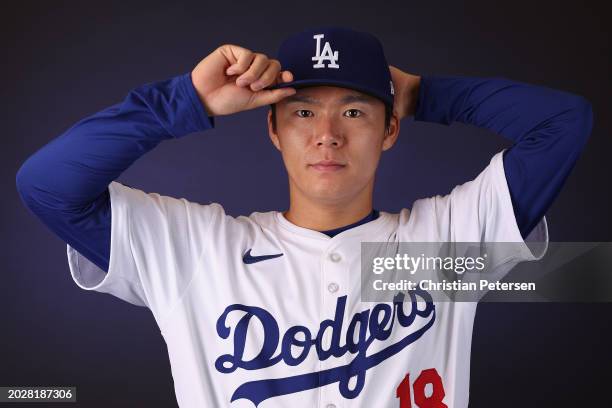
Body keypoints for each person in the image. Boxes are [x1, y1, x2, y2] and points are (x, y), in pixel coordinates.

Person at [16, 27, 593, 407]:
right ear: (273, 128)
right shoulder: (197, 250)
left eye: (354, 110)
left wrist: (425, 95)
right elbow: (49, 185)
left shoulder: (446, 243)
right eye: (303, 111)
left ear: (390, 129)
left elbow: (564, 123)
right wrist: (183, 101)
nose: (327, 135)